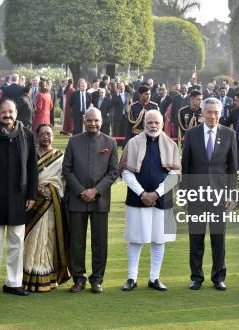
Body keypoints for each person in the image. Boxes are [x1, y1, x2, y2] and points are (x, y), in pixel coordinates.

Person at [0, 99, 38, 297]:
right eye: (3, 112)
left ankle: (14, 282)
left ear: (16, 114)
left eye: (11, 111)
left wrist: (31, 195)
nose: (7, 115)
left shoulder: (27, 135)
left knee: (16, 243)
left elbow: (32, 168)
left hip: (19, 198)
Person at [119, 110, 180, 292]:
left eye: (157, 122)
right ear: (144, 123)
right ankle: (132, 277)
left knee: (158, 240)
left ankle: (154, 278)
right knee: (135, 239)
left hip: (162, 200)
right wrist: (143, 194)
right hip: (137, 199)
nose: (153, 125)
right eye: (150, 122)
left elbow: (175, 174)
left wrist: (157, 194)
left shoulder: (171, 145)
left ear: (163, 124)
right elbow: (126, 172)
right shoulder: (133, 143)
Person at [182, 98, 237, 291]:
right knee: (196, 237)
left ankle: (218, 277)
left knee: (218, 237)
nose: (213, 116)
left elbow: (232, 167)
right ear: (202, 113)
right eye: (209, 112)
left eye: (216, 112)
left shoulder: (229, 134)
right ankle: (196, 277)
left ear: (220, 114)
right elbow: (185, 167)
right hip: (196, 195)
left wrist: (232, 194)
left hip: (219, 196)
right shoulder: (191, 134)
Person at [62, 107, 119, 293]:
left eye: (96, 120)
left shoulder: (110, 143)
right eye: (89, 120)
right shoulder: (73, 141)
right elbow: (67, 171)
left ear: (101, 121)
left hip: (100, 200)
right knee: (76, 242)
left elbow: (113, 173)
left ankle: (97, 279)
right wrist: (81, 191)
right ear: (84, 121)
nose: (93, 124)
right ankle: (79, 278)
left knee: (99, 242)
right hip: (77, 200)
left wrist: (95, 191)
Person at [22, 124, 70, 292]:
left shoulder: (60, 157)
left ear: (53, 137)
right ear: (37, 136)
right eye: (42, 134)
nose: (46, 137)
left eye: (49, 134)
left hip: (50, 204)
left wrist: (50, 188)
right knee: (29, 239)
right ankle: (27, 276)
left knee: (47, 240)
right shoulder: (29, 155)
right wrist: (37, 188)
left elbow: (62, 180)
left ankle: (47, 275)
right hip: (31, 204)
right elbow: (24, 176)